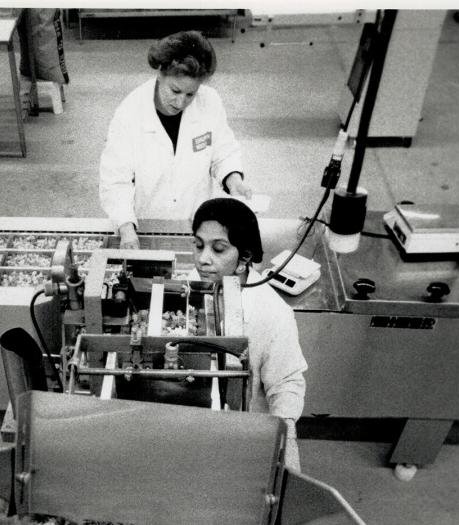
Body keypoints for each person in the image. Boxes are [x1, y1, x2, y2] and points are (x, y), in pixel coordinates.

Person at [99, 31, 252, 249]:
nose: (180, 102)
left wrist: (234, 180)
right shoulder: (130, 113)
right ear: (161, 73)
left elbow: (224, 153)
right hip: (146, 226)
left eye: (190, 94)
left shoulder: (210, 102)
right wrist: (126, 228)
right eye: (175, 90)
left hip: (197, 225)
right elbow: (115, 181)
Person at [191, 197, 307, 470]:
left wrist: (285, 434)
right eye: (198, 245)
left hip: (241, 427)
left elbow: (286, 382)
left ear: (244, 258)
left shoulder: (272, 312)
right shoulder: (190, 286)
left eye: (218, 249)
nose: (202, 259)